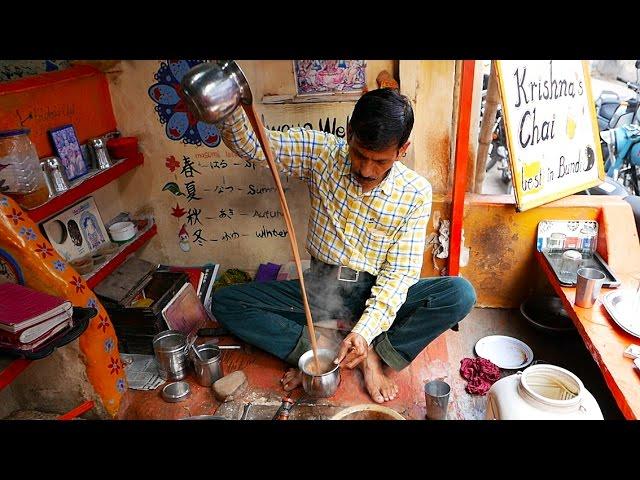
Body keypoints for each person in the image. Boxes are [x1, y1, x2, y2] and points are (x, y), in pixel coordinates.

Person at [210, 87, 476, 403]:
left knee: (459, 294)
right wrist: (226, 103)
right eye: (359, 154)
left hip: (372, 291)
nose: (365, 170)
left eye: (380, 161)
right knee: (226, 302)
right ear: (348, 131)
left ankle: (374, 354)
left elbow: (398, 278)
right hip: (318, 290)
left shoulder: (415, 193)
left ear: (402, 150)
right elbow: (255, 146)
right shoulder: (322, 153)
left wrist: (364, 333)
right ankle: (316, 352)